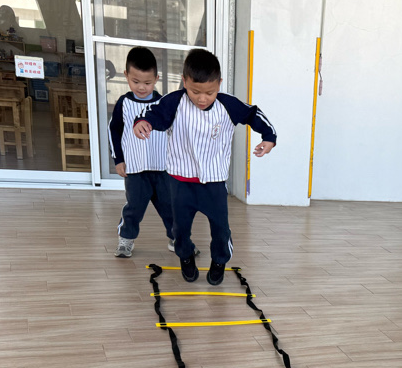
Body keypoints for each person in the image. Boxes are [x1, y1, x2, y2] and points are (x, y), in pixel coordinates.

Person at [133, 48, 276, 284]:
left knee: (221, 228)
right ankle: (185, 255)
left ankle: (219, 260)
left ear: (219, 83)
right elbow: (152, 112)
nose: (202, 98)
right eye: (195, 91)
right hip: (180, 182)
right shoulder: (174, 102)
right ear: (184, 82)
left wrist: (269, 137)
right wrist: (142, 122)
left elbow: (253, 114)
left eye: (209, 92)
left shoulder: (227, 105)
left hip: (214, 183)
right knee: (179, 229)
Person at [109, 47, 189, 258]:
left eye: (147, 82)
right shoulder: (124, 104)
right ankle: (126, 239)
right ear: (126, 75)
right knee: (134, 207)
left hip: (163, 168)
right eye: (135, 81)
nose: (141, 87)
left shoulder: (164, 104)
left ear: (156, 79)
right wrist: (118, 159)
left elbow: (176, 133)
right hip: (135, 168)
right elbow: (114, 131)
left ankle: (177, 239)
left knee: (170, 207)